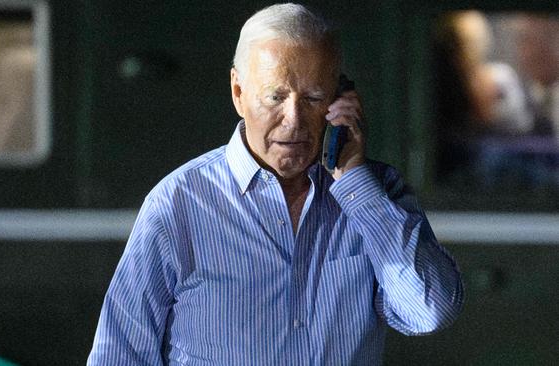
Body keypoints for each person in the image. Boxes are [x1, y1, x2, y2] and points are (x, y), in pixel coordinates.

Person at [88, 3, 464, 365]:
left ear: (339, 98)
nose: (294, 120)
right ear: (239, 93)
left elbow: (429, 310)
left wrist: (354, 181)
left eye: (315, 97)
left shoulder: (376, 193)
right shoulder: (177, 204)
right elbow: (119, 354)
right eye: (275, 97)